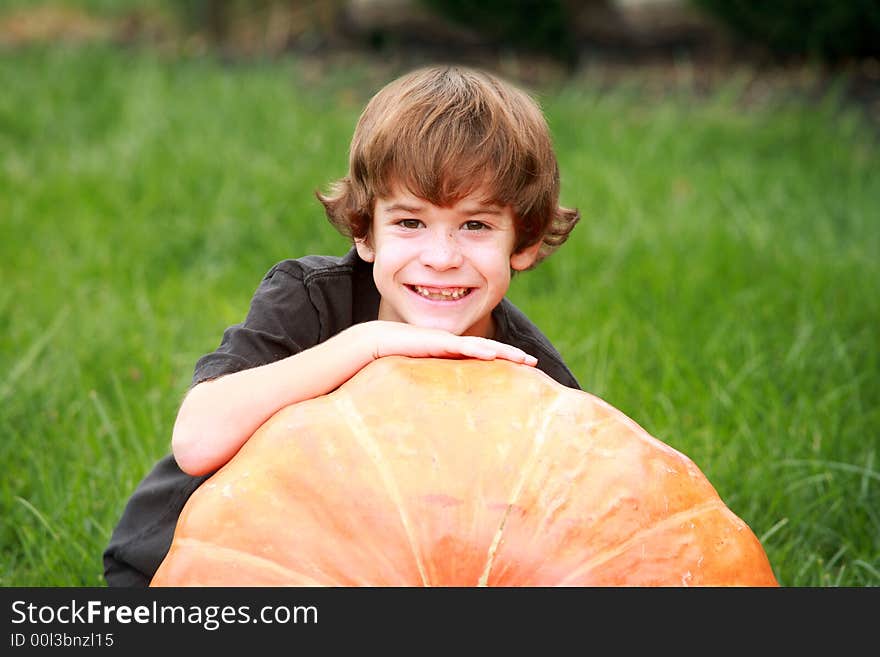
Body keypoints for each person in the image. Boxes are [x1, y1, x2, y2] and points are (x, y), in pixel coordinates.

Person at [103, 64, 581, 586]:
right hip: (183, 570)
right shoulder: (310, 301)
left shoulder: (532, 378)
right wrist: (367, 344)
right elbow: (197, 440)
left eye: (475, 225)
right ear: (364, 232)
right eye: (410, 222)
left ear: (525, 241)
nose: (441, 257)